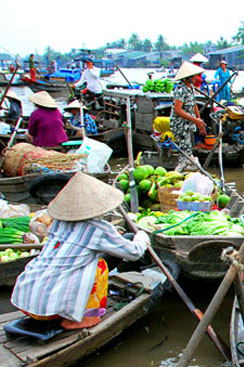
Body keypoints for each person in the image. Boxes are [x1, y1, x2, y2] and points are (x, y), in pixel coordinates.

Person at [11, 173, 150, 330]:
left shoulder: (58, 222)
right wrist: (142, 237)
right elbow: (134, 253)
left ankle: (68, 309)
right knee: (99, 266)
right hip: (50, 310)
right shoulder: (99, 229)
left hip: (27, 301)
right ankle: (84, 317)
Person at [170, 61, 207, 171]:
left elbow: (194, 104)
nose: (196, 78)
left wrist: (198, 120)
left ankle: (185, 171)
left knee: (187, 149)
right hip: (179, 125)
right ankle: (179, 172)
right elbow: (177, 110)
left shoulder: (190, 87)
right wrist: (195, 120)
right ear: (188, 77)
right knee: (185, 152)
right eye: (195, 76)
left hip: (188, 124)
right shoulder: (181, 89)